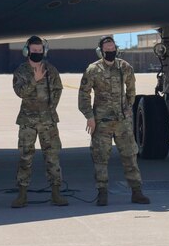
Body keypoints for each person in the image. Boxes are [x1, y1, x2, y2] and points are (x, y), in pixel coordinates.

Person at [78, 36, 150, 206]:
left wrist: (129, 108)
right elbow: (84, 95)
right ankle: (102, 192)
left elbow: (131, 89)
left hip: (122, 121)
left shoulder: (124, 67)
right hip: (101, 122)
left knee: (130, 156)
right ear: (101, 51)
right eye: (107, 49)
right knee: (100, 157)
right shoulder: (93, 70)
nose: (110, 52)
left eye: (113, 49)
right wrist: (89, 116)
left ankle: (137, 192)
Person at [11, 36, 68, 208]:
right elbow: (19, 92)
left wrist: (50, 108)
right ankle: (22, 194)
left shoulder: (51, 70)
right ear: (27, 51)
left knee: (52, 157)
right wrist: (34, 81)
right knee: (25, 157)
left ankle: (56, 193)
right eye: (34, 50)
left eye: (39, 50)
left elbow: (58, 89)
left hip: (48, 121)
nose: (37, 53)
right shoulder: (20, 71)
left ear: (44, 51)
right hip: (27, 121)